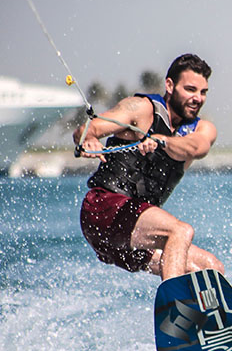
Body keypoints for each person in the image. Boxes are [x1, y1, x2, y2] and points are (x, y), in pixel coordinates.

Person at [74, 53, 223, 281]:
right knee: (180, 231)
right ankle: (175, 301)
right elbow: (88, 128)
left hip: (132, 236)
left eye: (203, 92)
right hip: (103, 211)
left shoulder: (202, 130)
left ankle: (196, 316)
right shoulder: (142, 110)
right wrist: (87, 138)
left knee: (210, 268)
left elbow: (197, 147)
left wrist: (164, 141)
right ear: (170, 85)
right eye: (190, 89)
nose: (198, 98)